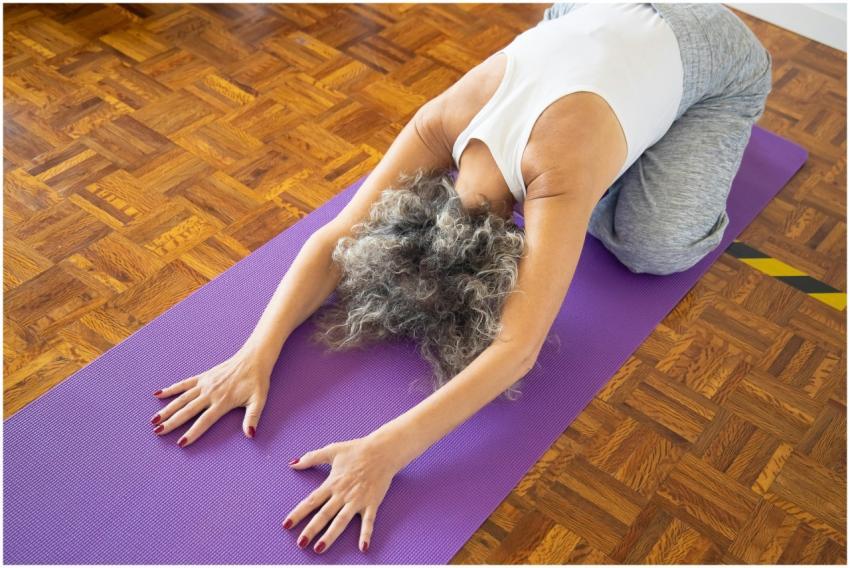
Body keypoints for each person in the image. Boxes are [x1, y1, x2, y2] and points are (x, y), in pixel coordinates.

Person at [147, 2, 773, 555]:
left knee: (651, 248)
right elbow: (339, 237)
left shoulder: (555, 172)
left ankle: (671, 126)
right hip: (589, 15)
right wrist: (254, 353)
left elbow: (516, 348)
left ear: (512, 240)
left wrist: (387, 449)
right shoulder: (443, 119)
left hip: (712, 50)